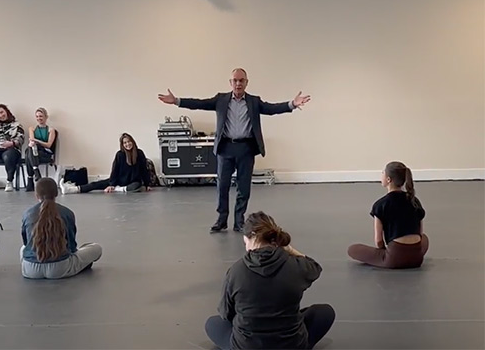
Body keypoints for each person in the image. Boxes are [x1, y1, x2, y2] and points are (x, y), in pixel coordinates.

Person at [158, 68, 310, 233]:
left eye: (241, 80)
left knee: (243, 188)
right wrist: (177, 101)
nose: (238, 83)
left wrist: (292, 104)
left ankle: (239, 222)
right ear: (230, 83)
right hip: (226, 148)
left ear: (246, 82)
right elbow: (199, 104)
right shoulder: (220, 100)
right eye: (235, 80)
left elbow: (272, 108)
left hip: (246, 149)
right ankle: (221, 220)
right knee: (222, 186)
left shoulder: (253, 101)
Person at [205, 212, 335, 349]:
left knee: (213, 323)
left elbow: (226, 313)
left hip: (247, 346)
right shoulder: (296, 266)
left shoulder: (236, 271)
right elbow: (315, 267)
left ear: (247, 238)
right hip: (291, 345)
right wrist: (290, 250)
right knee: (325, 312)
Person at [348, 161, 429, 269]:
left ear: (388, 179)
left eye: (383, 173)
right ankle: (407, 256)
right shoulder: (414, 201)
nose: (381, 175)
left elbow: (378, 240)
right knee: (425, 239)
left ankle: (391, 258)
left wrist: (383, 251)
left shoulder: (380, 205)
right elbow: (420, 233)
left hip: (394, 259)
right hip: (417, 259)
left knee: (352, 249)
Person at [20, 178, 103, 279]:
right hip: (60, 268)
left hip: (30, 270)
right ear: (56, 193)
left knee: (22, 249)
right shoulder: (67, 213)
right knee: (96, 248)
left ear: (36, 195)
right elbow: (72, 247)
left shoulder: (27, 214)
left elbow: (26, 243)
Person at [60, 133, 151, 194]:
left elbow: (144, 170)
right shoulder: (120, 155)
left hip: (132, 182)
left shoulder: (139, 153)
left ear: (133, 142)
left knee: (137, 186)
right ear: (122, 145)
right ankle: (72, 189)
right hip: (119, 181)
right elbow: (115, 170)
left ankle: (118, 189)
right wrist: (112, 184)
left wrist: (147, 184)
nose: (127, 144)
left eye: (129, 141)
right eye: (125, 143)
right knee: (96, 184)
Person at [25, 107, 57, 192]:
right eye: (37, 116)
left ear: (46, 117)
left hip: (45, 153)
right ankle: (36, 171)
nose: (39, 118)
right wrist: (34, 142)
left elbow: (49, 145)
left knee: (29, 153)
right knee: (30, 150)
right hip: (35, 151)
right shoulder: (32, 128)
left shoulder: (51, 130)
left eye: (41, 116)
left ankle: (30, 179)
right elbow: (32, 142)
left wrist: (37, 141)